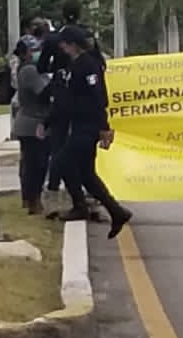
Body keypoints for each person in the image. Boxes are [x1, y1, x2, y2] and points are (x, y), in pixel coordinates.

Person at [54, 26, 132, 238]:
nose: (62, 47)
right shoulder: (75, 65)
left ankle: (85, 205)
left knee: (62, 162)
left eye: (64, 43)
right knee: (86, 173)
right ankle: (116, 211)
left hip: (88, 126)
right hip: (79, 124)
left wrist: (104, 127)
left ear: (72, 44)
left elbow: (98, 97)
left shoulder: (88, 65)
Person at [11, 24, 53, 215]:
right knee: (36, 164)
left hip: (33, 122)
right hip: (32, 124)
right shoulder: (29, 71)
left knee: (32, 162)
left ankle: (29, 198)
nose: (38, 53)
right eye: (33, 50)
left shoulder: (33, 69)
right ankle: (32, 199)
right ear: (25, 54)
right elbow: (44, 92)